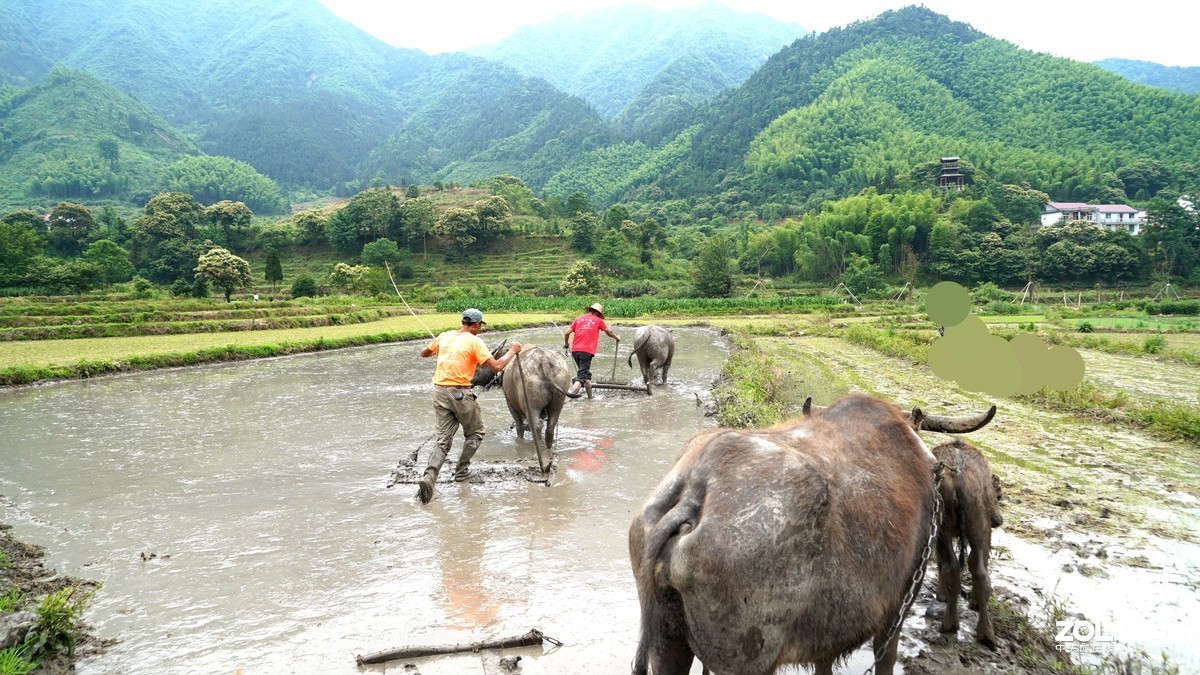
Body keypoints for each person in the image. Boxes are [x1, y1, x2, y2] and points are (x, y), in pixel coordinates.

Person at [417, 308, 522, 504]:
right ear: (475, 325)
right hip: (459, 393)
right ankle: (462, 471)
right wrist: (512, 351)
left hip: (439, 392)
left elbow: (424, 353)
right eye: (480, 325)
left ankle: (429, 478)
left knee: (443, 440)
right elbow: (498, 366)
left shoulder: (444, 336)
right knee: (476, 432)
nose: (480, 328)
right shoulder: (475, 341)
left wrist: (435, 347)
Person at [563, 302, 619, 398]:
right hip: (587, 351)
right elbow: (608, 332)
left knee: (586, 374)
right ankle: (571, 391)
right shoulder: (598, 321)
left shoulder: (578, 319)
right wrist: (616, 338)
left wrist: (566, 344)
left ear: (591, 310)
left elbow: (567, 333)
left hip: (575, 351)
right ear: (597, 313)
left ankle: (590, 397)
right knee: (581, 377)